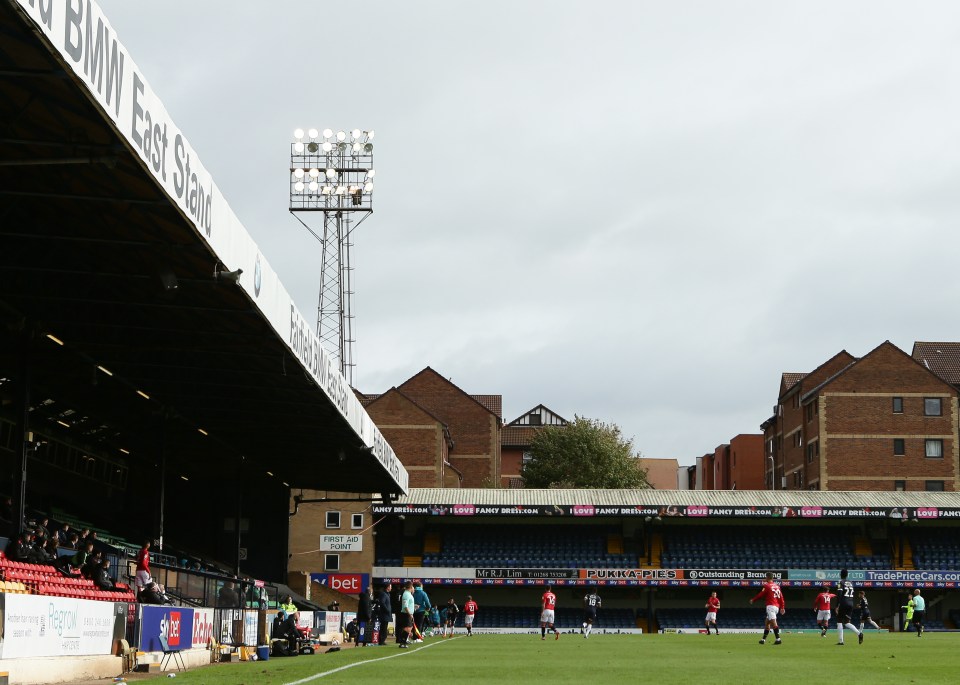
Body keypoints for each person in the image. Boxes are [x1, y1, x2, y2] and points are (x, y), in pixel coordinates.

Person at [750, 571, 785, 645]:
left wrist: (753, 599)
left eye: (766, 577)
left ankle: (778, 639)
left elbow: (761, 594)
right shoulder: (777, 586)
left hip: (771, 606)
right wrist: (782, 607)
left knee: (773, 622)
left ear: (767, 577)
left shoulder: (767, 586)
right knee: (767, 623)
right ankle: (763, 640)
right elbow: (781, 597)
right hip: (776, 607)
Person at [834, 569, 863, 645]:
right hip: (851, 603)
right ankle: (859, 633)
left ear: (840, 574)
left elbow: (839, 594)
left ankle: (841, 641)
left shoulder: (840, 582)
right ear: (847, 575)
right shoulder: (851, 582)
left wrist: (837, 606)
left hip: (843, 602)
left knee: (839, 621)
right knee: (847, 623)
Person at [398, 581, 415, 648]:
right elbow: (405, 606)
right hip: (406, 614)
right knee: (407, 628)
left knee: (409, 628)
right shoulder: (406, 594)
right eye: (413, 586)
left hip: (408, 613)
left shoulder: (409, 594)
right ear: (411, 587)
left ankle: (404, 641)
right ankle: (402, 642)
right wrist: (410, 614)